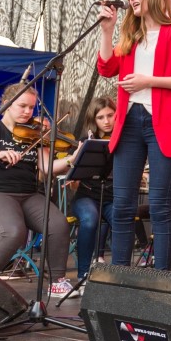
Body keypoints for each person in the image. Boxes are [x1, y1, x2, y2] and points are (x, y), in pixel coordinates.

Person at [96, 0, 171, 271]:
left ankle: (162, 277)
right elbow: (106, 68)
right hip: (130, 122)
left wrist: (150, 81)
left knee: (160, 206)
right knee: (122, 205)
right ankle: (120, 275)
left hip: (163, 124)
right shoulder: (131, 36)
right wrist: (107, 31)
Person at [0, 83, 76, 295]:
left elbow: (47, 168)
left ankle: (57, 282)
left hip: (29, 194)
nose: (27, 112)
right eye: (22, 106)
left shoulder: (36, 135)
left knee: (58, 224)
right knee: (14, 232)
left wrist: (72, 159)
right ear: (7, 104)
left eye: (31, 107)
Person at [69, 97, 116, 280]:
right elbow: (74, 177)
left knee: (122, 220)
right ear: (93, 120)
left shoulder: (125, 140)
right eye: (100, 117)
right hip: (86, 195)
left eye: (110, 115)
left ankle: (122, 273)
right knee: (89, 220)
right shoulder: (86, 141)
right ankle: (83, 275)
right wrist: (73, 177)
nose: (106, 121)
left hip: (113, 196)